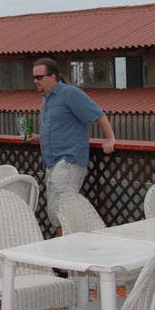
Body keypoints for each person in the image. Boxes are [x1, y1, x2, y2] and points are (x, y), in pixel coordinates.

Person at [29, 57, 116, 234]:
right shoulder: (47, 97)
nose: (35, 81)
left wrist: (110, 138)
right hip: (53, 162)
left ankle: (71, 254)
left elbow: (97, 113)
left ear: (52, 77)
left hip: (68, 160)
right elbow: (60, 125)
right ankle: (66, 252)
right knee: (54, 212)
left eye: (39, 77)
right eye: (34, 77)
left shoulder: (69, 93)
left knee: (63, 211)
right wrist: (40, 137)